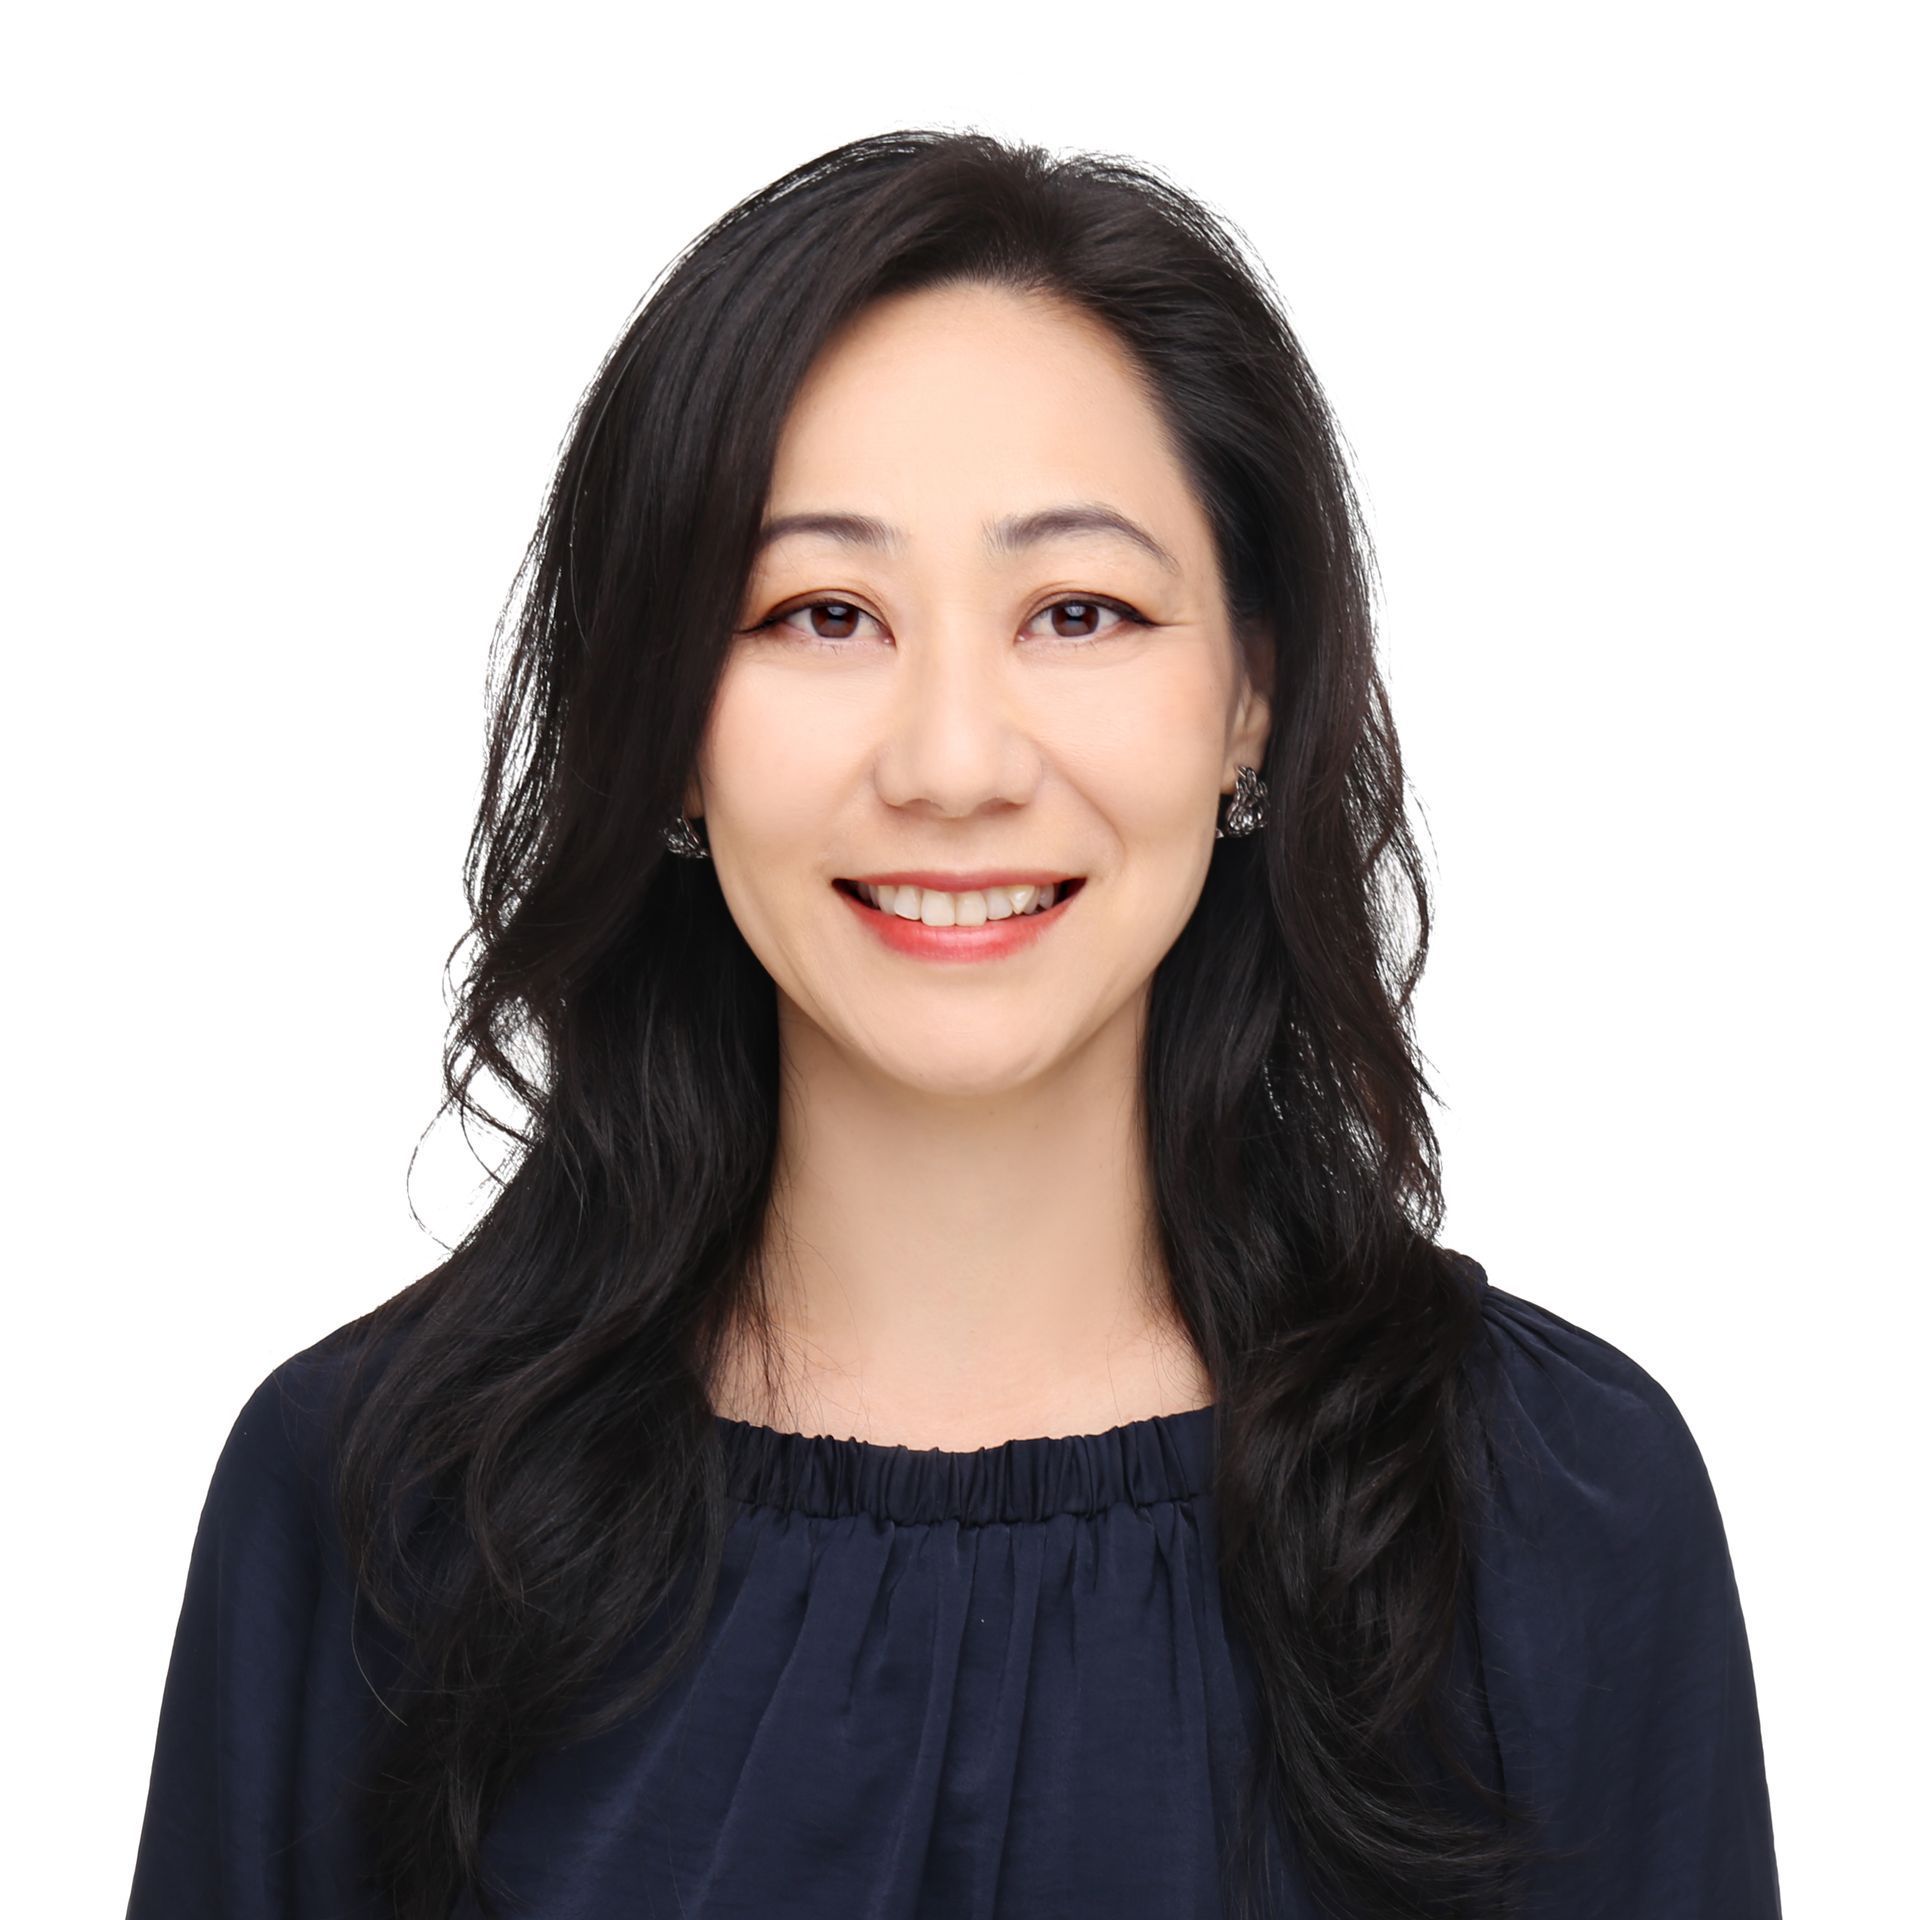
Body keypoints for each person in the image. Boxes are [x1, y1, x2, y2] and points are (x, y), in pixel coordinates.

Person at [125, 128, 1781, 1920]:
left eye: (1079, 612)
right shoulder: (370, 1511)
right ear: (672, 715)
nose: (952, 765)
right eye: (822, 614)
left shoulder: (1562, 1510)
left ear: (1253, 696)